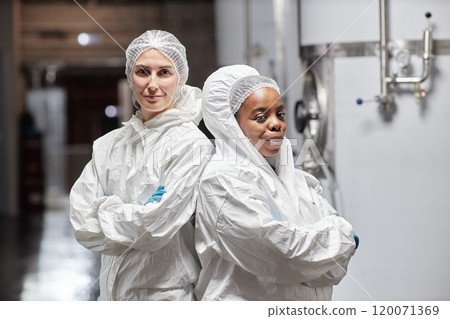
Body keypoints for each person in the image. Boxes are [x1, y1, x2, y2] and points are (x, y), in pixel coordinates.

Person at [69, 30, 214, 301]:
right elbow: (81, 223)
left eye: (164, 72)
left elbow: (153, 229)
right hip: (111, 294)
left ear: (180, 78)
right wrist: (135, 220)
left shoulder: (192, 145)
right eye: (143, 71)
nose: (152, 84)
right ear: (129, 77)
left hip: (165, 296)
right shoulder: (108, 145)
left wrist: (105, 207)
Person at [194, 64, 358, 301]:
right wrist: (342, 238)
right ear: (230, 124)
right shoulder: (222, 182)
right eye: (260, 117)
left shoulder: (295, 179)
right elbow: (283, 255)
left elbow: (330, 269)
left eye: (279, 114)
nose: (276, 124)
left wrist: (316, 258)